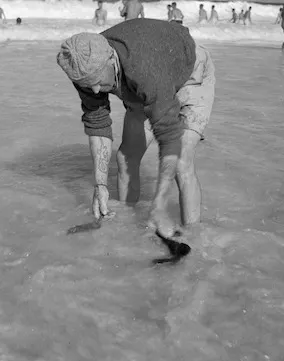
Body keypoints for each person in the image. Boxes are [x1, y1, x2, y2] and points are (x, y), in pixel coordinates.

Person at [55, 18, 216, 240]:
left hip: (190, 74)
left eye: (98, 81)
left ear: (111, 59)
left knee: (182, 161)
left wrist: (159, 203)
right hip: (145, 83)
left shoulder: (144, 69)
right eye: (87, 83)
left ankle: (193, 236)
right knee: (126, 157)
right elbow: (98, 123)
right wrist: (100, 184)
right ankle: (129, 228)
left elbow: (169, 139)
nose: (94, 89)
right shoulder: (81, 66)